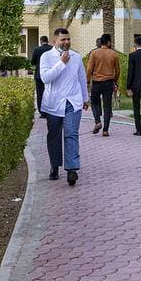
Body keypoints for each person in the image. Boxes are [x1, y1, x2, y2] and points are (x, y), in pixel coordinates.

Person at [39, 27, 89, 185]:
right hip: (53, 103)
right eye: (63, 39)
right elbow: (45, 78)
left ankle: (72, 169)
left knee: (71, 134)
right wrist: (61, 63)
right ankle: (54, 166)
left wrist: (85, 98)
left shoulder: (76, 57)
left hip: (72, 102)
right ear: (55, 41)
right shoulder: (46, 57)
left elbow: (81, 78)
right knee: (54, 136)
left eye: (68, 39)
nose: (66, 42)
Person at [85, 33, 121, 136]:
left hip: (97, 82)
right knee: (107, 106)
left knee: (94, 102)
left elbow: (89, 69)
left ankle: (97, 121)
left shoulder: (94, 53)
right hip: (109, 82)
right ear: (108, 42)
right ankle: (105, 130)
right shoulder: (114, 54)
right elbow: (117, 70)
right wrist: (115, 81)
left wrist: (88, 80)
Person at [30, 36, 52, 111]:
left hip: (39, 75)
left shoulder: (37, 49)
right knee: (51, 92)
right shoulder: (52, 49)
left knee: (40, 93)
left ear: (41, 41)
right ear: (47, 41)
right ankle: (50, 110)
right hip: (50, 74)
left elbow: (32, 62)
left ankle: (41, 111)